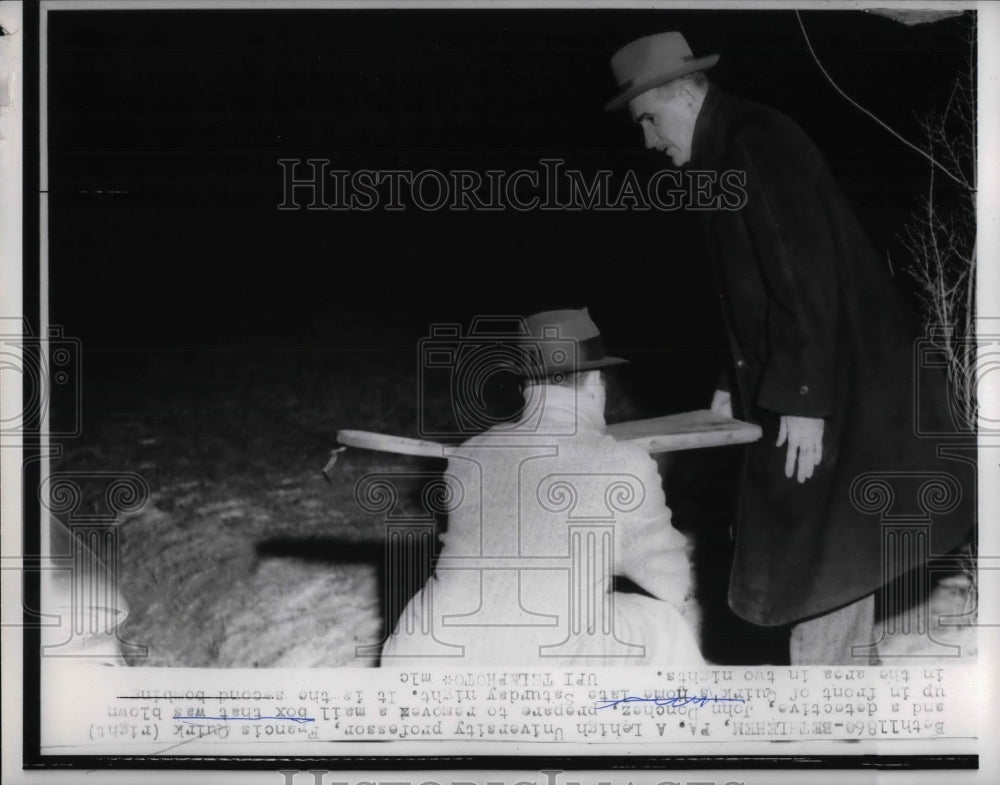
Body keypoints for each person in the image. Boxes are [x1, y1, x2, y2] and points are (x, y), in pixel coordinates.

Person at [604, 32, 973, 664]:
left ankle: (824, 727)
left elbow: (803, 279)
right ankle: (844, 717)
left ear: (682, 95)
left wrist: (804, 399)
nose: (649, 140)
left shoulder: (753, 143)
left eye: (649, 119)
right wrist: (731, 379)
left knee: (814, 566)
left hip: (834, 389)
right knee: (833, 559)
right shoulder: (732, 146)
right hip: (824, 381)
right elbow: (760, 294)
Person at [381, 308, 704, 667]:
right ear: (595, 383)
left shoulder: (468, 454)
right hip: (533, 670)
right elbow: (670, 580)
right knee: (665, 621)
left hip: (420, 656)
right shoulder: (625, 463)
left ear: (525, 388)